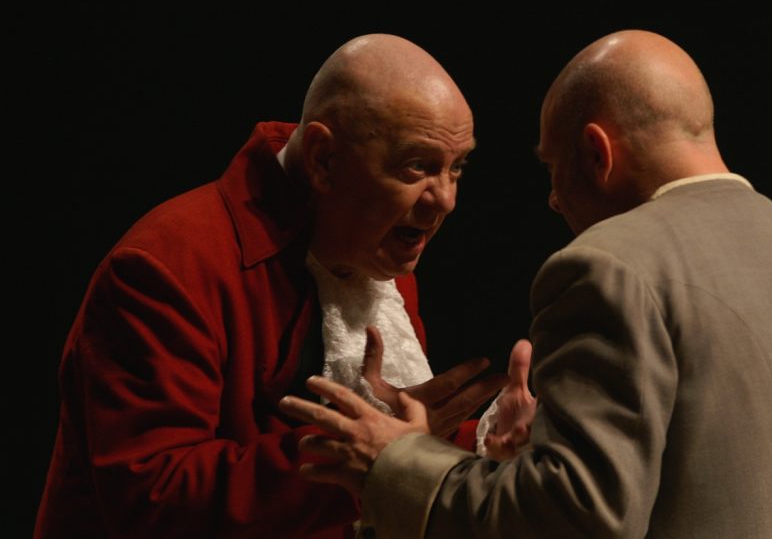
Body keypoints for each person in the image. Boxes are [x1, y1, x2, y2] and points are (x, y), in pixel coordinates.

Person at [279, 29, 772, 538]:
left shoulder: (612, 266)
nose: (554, 201)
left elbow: (576, 517)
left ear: (598, 153)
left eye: (553, 169)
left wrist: (395, 462)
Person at [34, 34, 511, 539]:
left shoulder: (369, 250)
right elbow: (153, 502)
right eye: (417, 165)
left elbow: (382, 443)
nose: (446, 199)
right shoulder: (165, 266)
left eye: (456, 167)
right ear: (324, 160)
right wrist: (367, 458)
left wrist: (492, 446)